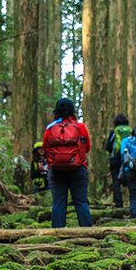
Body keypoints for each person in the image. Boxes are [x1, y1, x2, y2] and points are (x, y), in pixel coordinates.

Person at [42, 97, 93, 228]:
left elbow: (45, 148)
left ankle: (58, 234)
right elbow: (87, 148)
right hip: (78, 169)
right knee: (81, 202)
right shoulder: (80, 127)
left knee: (58, 203)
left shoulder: (51, 128)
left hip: (56, 171)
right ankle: (87, 232)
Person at [105, 114, 132, 209]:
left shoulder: (114, 132)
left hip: (115, 159)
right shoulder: (130, 131)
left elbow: (108, 146)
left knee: (116, 182)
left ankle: (119, 205)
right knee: (131, 181)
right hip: (129, 159)